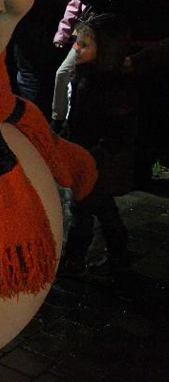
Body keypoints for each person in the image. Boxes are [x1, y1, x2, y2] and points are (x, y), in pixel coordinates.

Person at [79, 0, 169, 188]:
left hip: (142, 47)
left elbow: (159, 0)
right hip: (112, 42)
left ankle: (137, 173)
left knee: (143, 113)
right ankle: (112, 168)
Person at [59, 14, 136, 276]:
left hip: (97, 160)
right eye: (76, 42)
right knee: (102, 206)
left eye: (84, 45)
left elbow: (118, 131)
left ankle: (73, 259)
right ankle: (119, 253)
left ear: (105, 50)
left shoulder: (112, 87)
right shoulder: (84, 77)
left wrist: (95, 155)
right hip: (86, 154)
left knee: (81, 208)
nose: (76, 48)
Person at [50, 0, 119, 130]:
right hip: (88, 36)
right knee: (65, 74)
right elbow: (73, 7)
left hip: (109, 40)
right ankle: (59, 120)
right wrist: (62, 35)